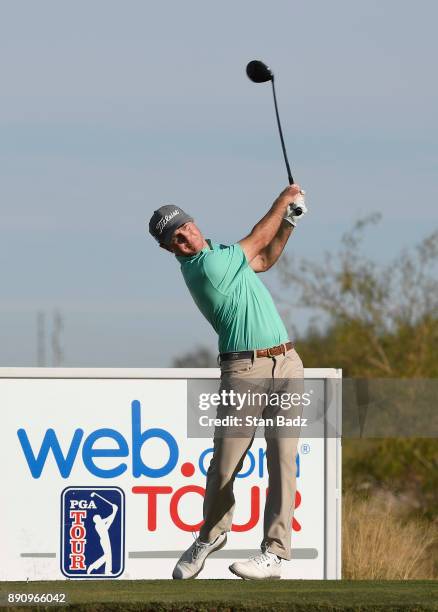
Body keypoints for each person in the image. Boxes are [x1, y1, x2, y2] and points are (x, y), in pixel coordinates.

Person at [148, 185, 307, 580]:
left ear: (194, 223)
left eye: (185, 229)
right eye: (176, 240)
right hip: (244, 371)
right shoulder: (203, 269)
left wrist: (289, 222)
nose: (185, 239)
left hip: (287, 363)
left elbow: (266, 257)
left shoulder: (222, 255)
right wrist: (283, 201)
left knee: (283, 460)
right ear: (171, 250)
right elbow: (258, 237)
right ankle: (210, 534)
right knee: (224, 464)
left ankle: (275, 553)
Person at [86, 503, 118, 575]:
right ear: (96, 520)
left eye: (100, 517)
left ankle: (104, 570)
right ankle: (97, 567)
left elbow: (109, 521)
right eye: (98, 518)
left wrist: (114, 511)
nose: (100, 518)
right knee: (108, 555)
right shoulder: (98, 525)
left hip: (106, 539)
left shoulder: (100, 523)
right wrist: (114, 511)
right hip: (104, 540)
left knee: (107, 555)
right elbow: (109, 520)